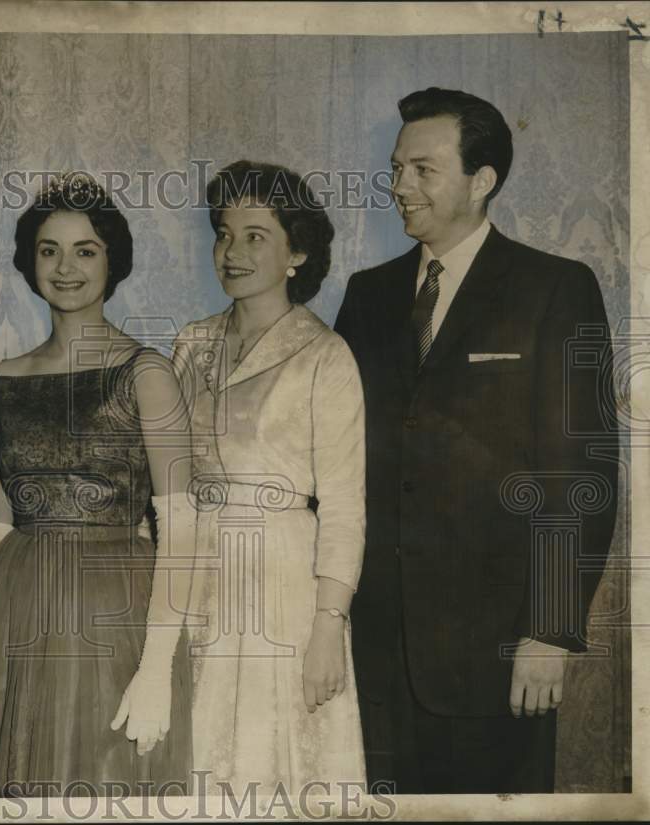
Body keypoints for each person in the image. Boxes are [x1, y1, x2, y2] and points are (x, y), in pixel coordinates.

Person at [334, 87, 619, 793]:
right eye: (397, 168)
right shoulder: (367, 295)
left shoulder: (555, 288)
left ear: (481, 180)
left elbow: (580, 470)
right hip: (372, 649)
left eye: (422, 169)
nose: (399, 185)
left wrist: (550, 630)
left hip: (497, 654)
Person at [0, 173, 196, 796]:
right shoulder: (1, 382)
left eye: (85, 250)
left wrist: (155, 669)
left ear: (112, 262)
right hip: (12, 611)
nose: (65, 267)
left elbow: (182, 529)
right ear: (29, 262)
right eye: (49, 250)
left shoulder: (146, 373)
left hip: (114, 614)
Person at [172, 160, 366, 795]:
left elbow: (343, 507)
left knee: (280, 763)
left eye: (256, 235)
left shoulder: (325, 355)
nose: (232, 251)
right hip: (196, 570)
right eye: (224, 233)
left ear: (297, 252)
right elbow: (167, 484)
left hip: (283, 583)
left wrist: (327, 629)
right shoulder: (191, 345)